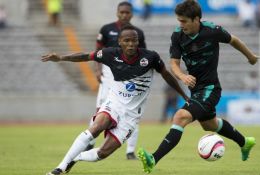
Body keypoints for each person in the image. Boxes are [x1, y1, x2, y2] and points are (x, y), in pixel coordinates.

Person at [42, 25, 189, 175]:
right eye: (127, 41)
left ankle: (75, 158)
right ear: (119, 42)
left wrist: (183, 95)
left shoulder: (151, 57)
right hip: (114, 103)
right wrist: (61, 58)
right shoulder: (110, 54)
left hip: (131, 115)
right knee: (96, 127)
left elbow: (166, 75)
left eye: (134, 41)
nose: (131, 44)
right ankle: (60, 167)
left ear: (138, 42)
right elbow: (85, 56)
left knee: (102, 154)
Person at [137, 0, 259, 173]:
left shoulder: (212, 31)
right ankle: (245, 142)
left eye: (184, 21)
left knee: (180, 116)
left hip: (210, 89)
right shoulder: (178, 35)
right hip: (196, 90)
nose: (181, 25)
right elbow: (173, 63)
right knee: (209, 125)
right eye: (179, 20)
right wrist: (182, 76)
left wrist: (251, 56)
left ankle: (153, 159)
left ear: (196, 19)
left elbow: (234, 40)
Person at [93, 1, 146, 160]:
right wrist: (97, 69)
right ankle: (90, 141)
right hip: (108, 74)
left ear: (132, 14)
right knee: (100, 109)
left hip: (129, 77)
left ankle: (130, 150)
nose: (124, 15)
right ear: (117, 13)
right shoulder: (107, 29)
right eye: (121, 12)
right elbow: (97, 51)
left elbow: (143, 55)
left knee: (131, 113)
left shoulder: (138, 33)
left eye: (127, 13)